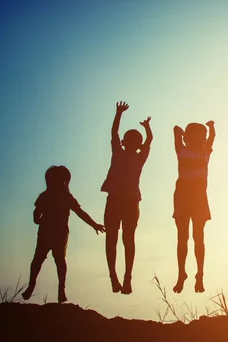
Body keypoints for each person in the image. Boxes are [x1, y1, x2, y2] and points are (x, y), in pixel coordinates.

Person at [22, 166, 105, 303]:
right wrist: (37, 219)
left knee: (56, 259)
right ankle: (33, 286)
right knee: (40, 259)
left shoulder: (65, 197)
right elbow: (36, 211)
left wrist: (94, 224)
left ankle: (61, 290)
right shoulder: (46, 196)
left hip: (59, 232)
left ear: (64, 181)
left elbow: (80, 213)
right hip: (46, 231)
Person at [101, 101, 152, 294]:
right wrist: (118, 113)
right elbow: (114, 133)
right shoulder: (118, 153)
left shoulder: (140, 157)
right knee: (112, 239)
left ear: (137, 145)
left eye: (134, 142)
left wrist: (147, 129)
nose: (131, 144)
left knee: (127, 239)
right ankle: (114, 277)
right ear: (124, 143)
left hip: (130, 202)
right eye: (128, 141)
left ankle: (127, 277)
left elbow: (149, 141)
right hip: (115, 200)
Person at [172, 120, 216, 294]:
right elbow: (175, 131)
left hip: (198, 198)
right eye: (198, 135)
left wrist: (211, 127)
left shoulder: (205, 151)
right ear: (188, 137)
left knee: (198, 237)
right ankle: (181, 273)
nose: (202, 139)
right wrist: (181, 133)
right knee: (182, 237)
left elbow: (212, 137)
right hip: (183, 197)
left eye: (202, 136)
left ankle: (200, 275)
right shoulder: (181, 150)